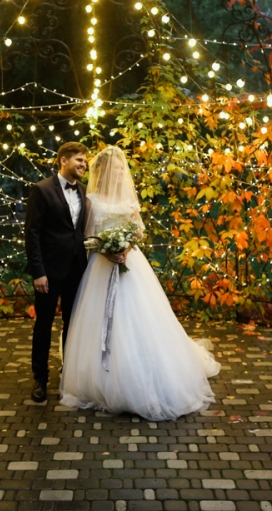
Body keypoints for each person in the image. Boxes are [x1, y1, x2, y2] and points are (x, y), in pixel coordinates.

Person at [60, 146, 220, 421]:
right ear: (105, 170)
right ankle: (101, 378)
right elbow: (88, 234)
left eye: (122, 168)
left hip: (130, 263)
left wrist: (124, 248)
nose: (121, 172)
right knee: (99, 319)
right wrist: (106, 251)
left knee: (139, 316)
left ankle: (145, 370)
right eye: (117, 168)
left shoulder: (128, 200)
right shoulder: (92, 199)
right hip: (100, 266)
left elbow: (139, 230)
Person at [24, 142, 90, 403]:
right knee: (44, 324)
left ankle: (68, 373)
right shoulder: (41, 190)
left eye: (85, 161)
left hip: (77, 270)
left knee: (73, 325)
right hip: (49, 272)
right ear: (63, 160)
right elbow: (32, 233)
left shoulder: (84, 191)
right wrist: (38, 272)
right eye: (79, 160)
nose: (84, 165)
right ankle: (40, 378)